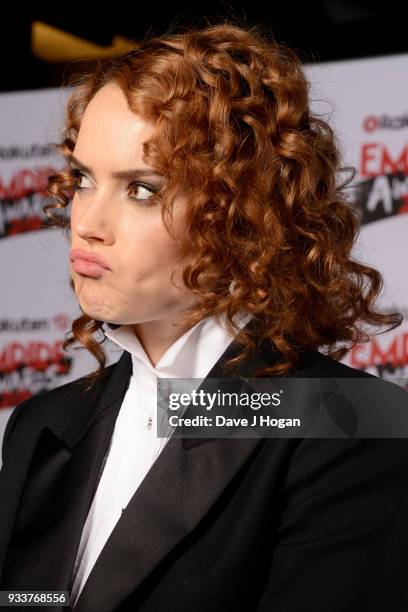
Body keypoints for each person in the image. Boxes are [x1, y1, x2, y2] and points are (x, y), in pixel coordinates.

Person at [0, 19, 407, 612]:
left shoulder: (347, 423)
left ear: (244, 217)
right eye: (84, 179)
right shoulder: (43, 422)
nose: (85, 222)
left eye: (142, 189)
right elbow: (27, 600)